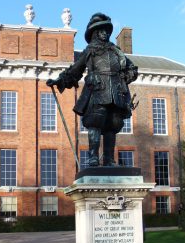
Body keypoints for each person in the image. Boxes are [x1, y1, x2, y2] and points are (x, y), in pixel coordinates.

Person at [46, 12, 138, 167]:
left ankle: (109, 159)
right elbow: (75, 70)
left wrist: (126, 76)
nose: (105, 33)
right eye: (101, 30)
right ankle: (93, 157)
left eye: (107, 30)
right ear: (95, 33)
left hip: (115, 92)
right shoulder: (90, 50)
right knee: (95, 121)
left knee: (112, 124)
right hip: (97, 90)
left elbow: (132, 68)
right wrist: (60, 80)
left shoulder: (116, 51)